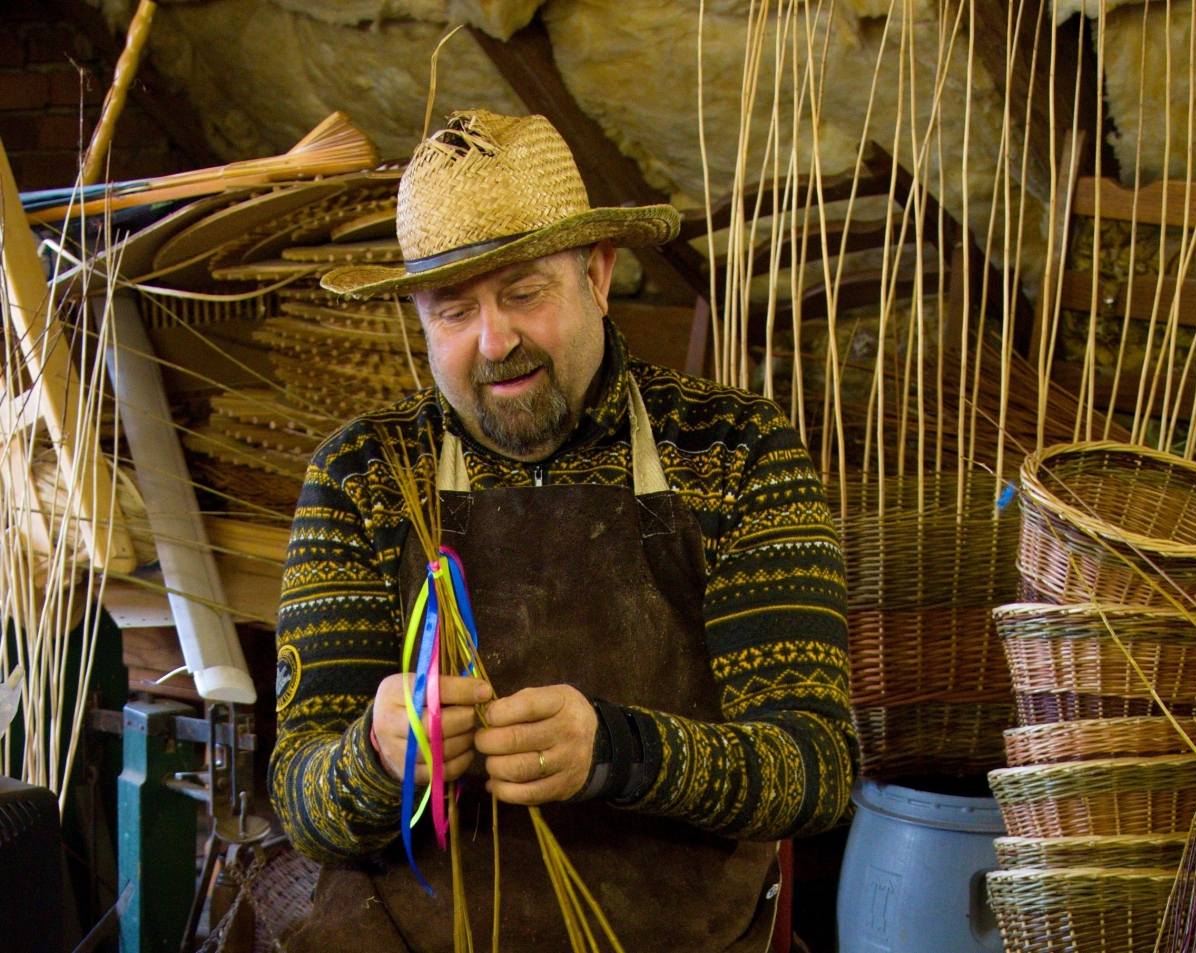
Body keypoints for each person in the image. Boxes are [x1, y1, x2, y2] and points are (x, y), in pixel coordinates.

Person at [271, 109, 857, 953]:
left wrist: (621, 752)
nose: (494, 339)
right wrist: (373, 754)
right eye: (453, 310)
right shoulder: (362, 475)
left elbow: (818, 768)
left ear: (597, 272)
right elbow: (299, 798)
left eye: (522, 292)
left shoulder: (735, 451)